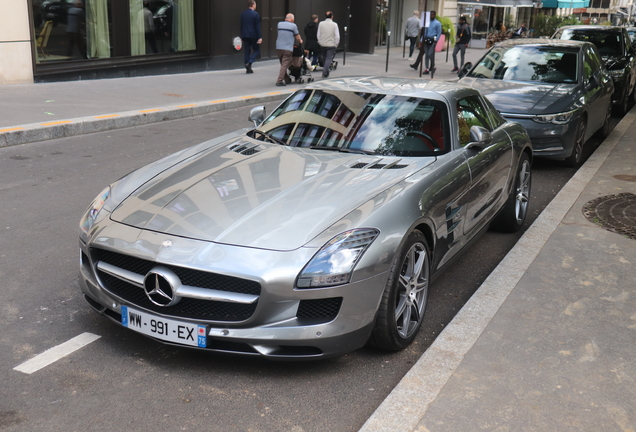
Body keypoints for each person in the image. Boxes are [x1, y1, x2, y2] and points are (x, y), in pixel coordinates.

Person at [410, 10, 441, 75]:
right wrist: (421, 40)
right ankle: (427, 68)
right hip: (426, 39)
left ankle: (433, 66)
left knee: (430, 54)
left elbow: (439, 33)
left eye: (433, 14)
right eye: (431, 14)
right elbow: (425, 32)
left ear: (435, 15)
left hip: (433, 40)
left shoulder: (438, 23)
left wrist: (436, 40)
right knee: (426, 54)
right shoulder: (427, 23)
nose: (432, 15)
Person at [275, 13, 302, 86]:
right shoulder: (293, 26)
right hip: (287, 48)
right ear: (292, 20)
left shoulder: (279, 24)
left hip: (278, 47)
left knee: (283, 64)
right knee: (284, 65)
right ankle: (279, 81)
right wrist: (300, 41)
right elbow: (297, 36)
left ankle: (287, 79)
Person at [240, 0, 262, 74]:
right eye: (255, 4)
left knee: (247, 51)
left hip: (245, 35)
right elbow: (257, 26)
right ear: (253, 5)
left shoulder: (243, 14)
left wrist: (242, 36)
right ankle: (249, 62)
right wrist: (260, 37)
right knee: (256, 50)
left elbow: (242, 26)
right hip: (253, 35)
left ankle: (247, 68)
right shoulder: (255, 14)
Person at [317, 11, 340, 78]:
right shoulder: (334, 24)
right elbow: (337, 36)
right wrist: (336, 44)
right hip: (331, 44)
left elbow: (318, 34)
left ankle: (326, 72)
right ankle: (325, 72)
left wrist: (320, 42)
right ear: (332, 16)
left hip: (323, 44)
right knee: (329, 59)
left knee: (324, 58)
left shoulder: (321, 24)